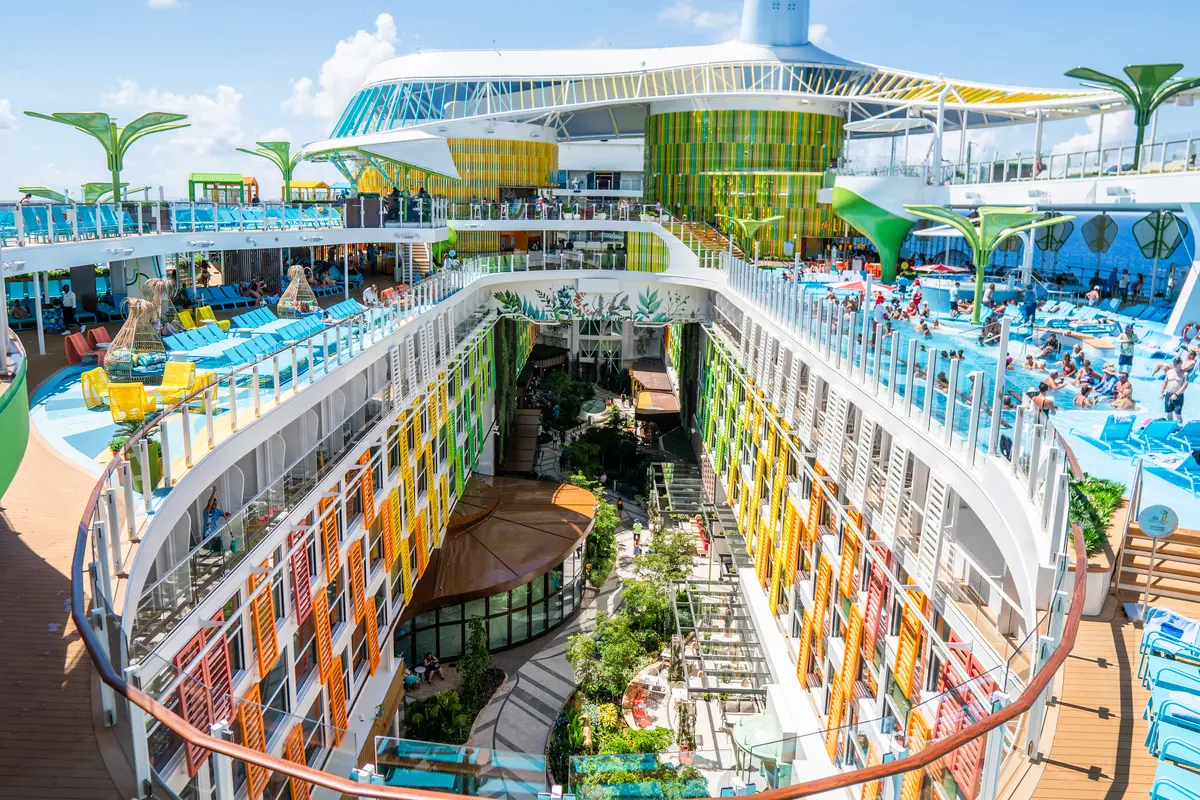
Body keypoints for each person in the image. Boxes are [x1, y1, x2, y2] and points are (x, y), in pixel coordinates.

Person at [1162, 356, 1189, 422]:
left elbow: (1184, 386)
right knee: (1169, 413)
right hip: (1168, 394)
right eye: (1174, 362)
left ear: (1181, 363)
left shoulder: (1185, 374)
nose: (1175, 364)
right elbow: (1165, 382)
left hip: (1178, 396)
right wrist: (1162, 392)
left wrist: (1176, 394)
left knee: (1178, 414)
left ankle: (1180, 427)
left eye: (1177, 363)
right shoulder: (1169, 372)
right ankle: (1170, 428)